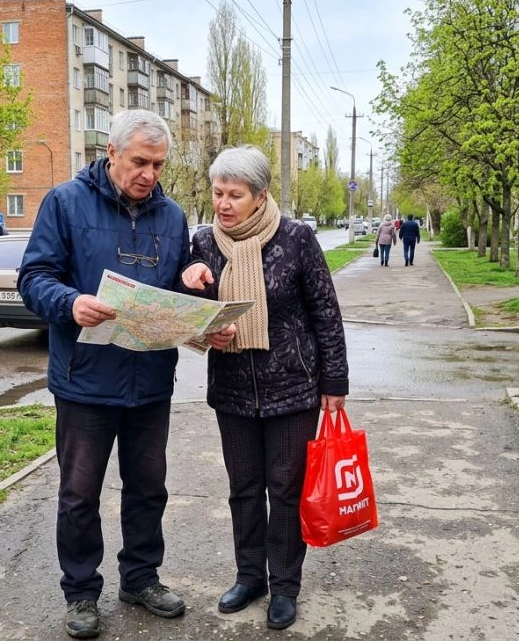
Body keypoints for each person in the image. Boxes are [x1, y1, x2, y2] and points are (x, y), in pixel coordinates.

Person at [18, 110, 191, 640]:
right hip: (85, 380)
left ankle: (140, 579)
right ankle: (81, 593)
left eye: (159, 164)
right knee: (79, 493)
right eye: (140, 161)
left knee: (148, 489)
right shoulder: (66, 203)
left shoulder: (173, 216)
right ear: (111, 152)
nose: (149, 174)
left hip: (150, 378)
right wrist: (70, 303)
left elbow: (178, 290)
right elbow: (33, 278)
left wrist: (194, 297)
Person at [180, 145, 349, 631]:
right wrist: (191, 285)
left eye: (235, 194)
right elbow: (192, 319)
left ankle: (285, 585)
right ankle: (249, 576)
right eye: (218, 193)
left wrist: (334, 381)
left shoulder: (296, 238)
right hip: (232, 388)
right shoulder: (205, 244)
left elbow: (325, 313)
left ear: (260, 196)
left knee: (287, 488)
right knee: (244, 489)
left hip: (294, 388)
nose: (224, 203)